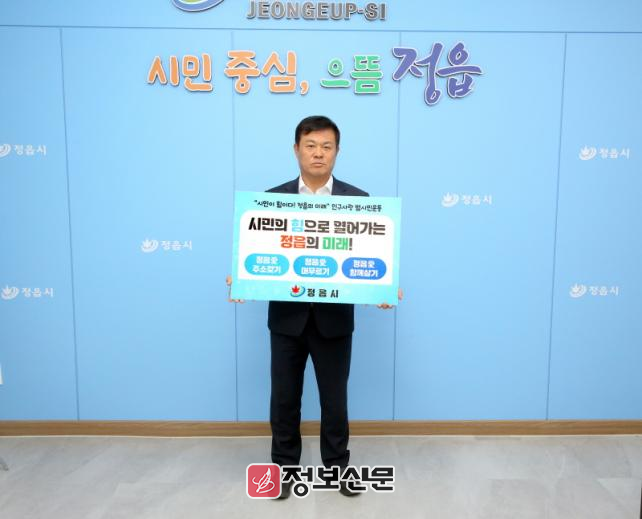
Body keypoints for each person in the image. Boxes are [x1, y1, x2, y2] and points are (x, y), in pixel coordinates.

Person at [228, 115, 400, 499]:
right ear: (296, 150)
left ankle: (337, 468)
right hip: (286, 320)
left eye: (326, 146)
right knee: (284, 399)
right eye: (310, 145)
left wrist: (383, 288)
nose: (318, 153)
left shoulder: (359, 202)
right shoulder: (271, 200)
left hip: (334, 322)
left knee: (334, 401)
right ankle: (283, 470)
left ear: (337, 151)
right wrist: (240, 278)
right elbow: (257, 255)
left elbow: (372, 260)